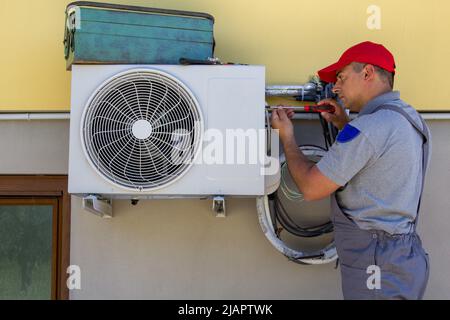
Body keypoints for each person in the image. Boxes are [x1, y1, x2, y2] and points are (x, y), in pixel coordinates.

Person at [271, 41, 431, 299]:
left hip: (376, 264)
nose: (335, 87)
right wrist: (344, 123)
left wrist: (287, 137)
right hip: (403, 258)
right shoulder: (409, 118)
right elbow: (377, 164)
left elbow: (311, 188)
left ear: (367, 73)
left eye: (341, 78)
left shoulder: (369, 129)